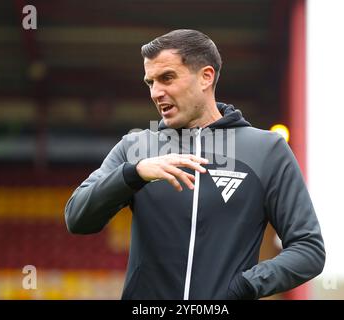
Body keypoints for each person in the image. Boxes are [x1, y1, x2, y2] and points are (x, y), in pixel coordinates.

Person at [65, 29, 325, 300]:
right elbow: (77, 217)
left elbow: (309, 249)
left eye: (167, 78)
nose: (156, 92)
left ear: (206, 77)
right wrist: (134, 173)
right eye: (150, 82)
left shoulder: (267, 150)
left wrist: (243, 287)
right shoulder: (135, 148)